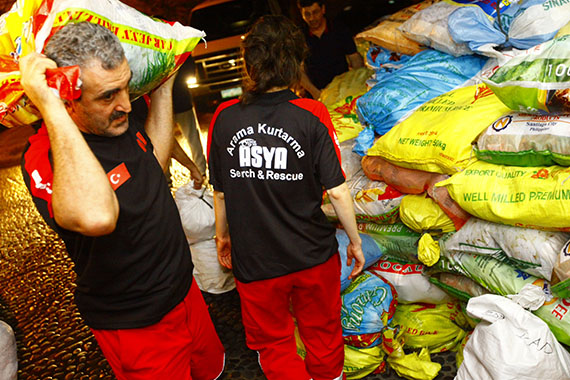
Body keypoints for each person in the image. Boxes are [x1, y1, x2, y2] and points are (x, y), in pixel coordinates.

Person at [19, 22, 224, 380]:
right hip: (137, 324)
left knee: (213, 372)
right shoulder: (45, 154)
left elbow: (151, 167)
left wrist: (165, 81)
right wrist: (49, 107)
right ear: (66, 95)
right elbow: (99, 217)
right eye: (107, 96)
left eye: (126, 88)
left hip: (184, 293)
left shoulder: (120, 117)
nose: (126, 106)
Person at [208, 15, 365, 380]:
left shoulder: (224, 118)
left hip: (256, 260)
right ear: (296, 62)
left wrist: (223, 236)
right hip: (311, 254)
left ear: (248, 65)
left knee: (274, 343)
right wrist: (354, 242)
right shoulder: (311, 114)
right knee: (323, 334)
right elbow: (338, 191)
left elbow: (220, 190)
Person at [297, 0, 364, 100]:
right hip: (317, 94)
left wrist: (358, 81)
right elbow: (298, 71)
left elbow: (354, 58)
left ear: (323, 9)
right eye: (307, 14)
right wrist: (316, 93)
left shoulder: (339, 28)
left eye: (315, 12)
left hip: (344, 90)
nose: (312, 18)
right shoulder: (299, 37)